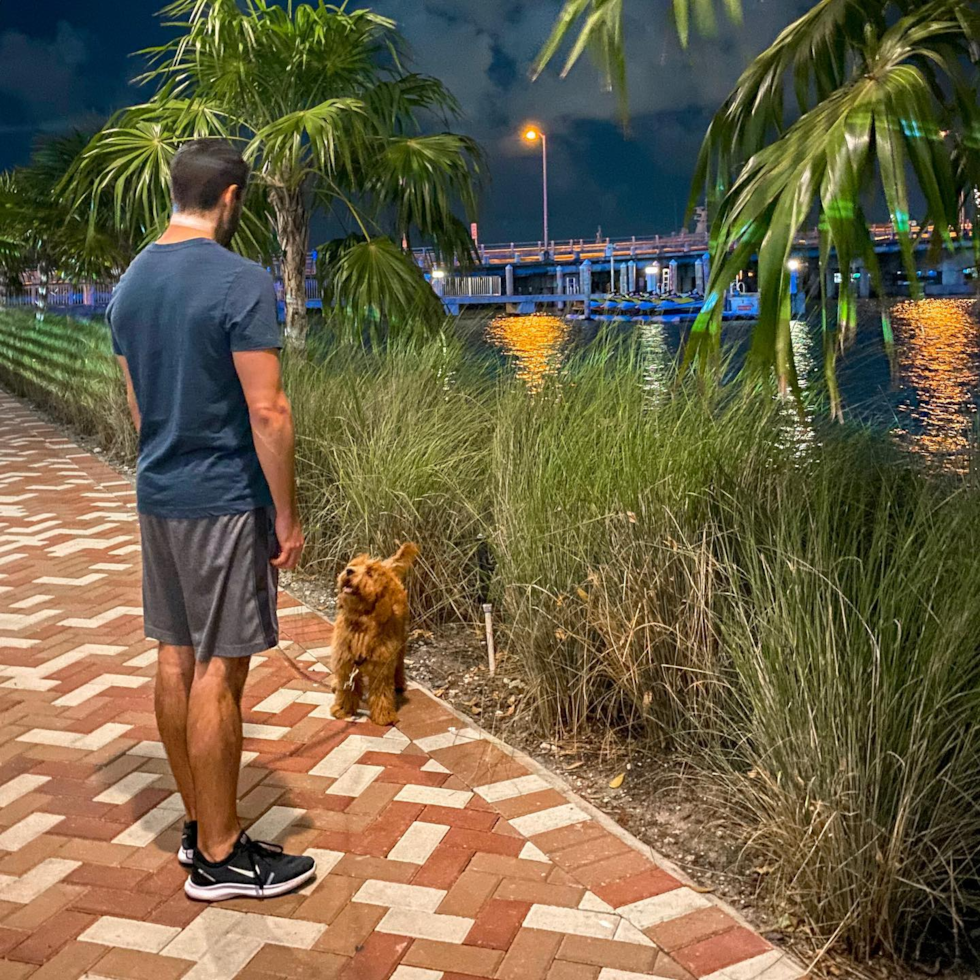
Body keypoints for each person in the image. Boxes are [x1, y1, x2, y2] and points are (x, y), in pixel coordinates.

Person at [107, 138, 315, 902]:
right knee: (221, 670)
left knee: (175, 657)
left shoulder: (130, 285)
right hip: (224, 500)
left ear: (176, 191)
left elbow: (138, 409)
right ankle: (223, 858)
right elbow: (269, 411)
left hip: (160, 494)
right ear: (231, 199)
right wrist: (285, 516)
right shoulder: (239, 279)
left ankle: (201, 824)